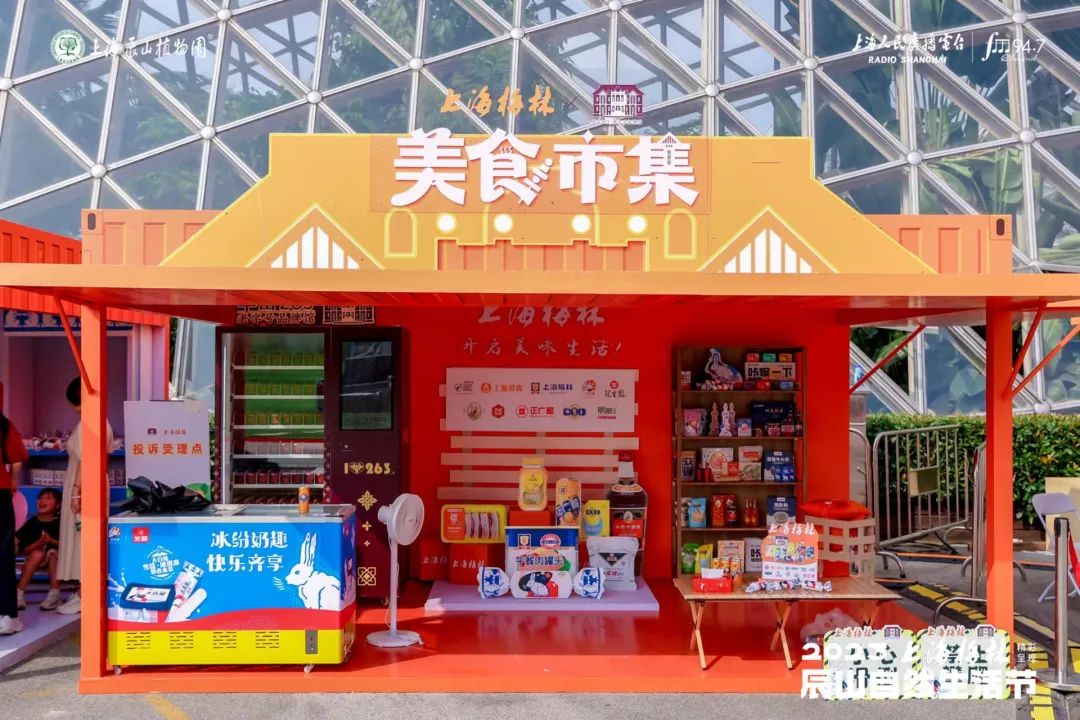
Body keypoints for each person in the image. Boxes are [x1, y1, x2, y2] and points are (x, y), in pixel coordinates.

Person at [56, 378, 114, 616]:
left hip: (84, 486)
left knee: (83, 538)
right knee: (86, 537)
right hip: (93, 483)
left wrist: (76, 493)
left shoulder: (89, 423)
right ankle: (84, 590)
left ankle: (84, 593)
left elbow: (85, 460)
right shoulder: (102, 421)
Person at [0, 400, 30, 634]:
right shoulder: (4, 425)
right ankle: (7, 616)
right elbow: (17, 458)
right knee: (3, 552)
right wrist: (12, 480)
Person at [15, 488, 62, 611]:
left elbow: (66, 546)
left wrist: (50, 541)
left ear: (58, 505)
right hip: (34, 559)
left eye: (48, 498)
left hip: (58, 560)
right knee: (37, 553)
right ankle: (19, 593)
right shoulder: (31, 523)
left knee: (53, 553)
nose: (42, 501)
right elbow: (25, 550)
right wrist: (38, 543)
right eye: (40, 498)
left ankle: (54, 594)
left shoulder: (61, 522)